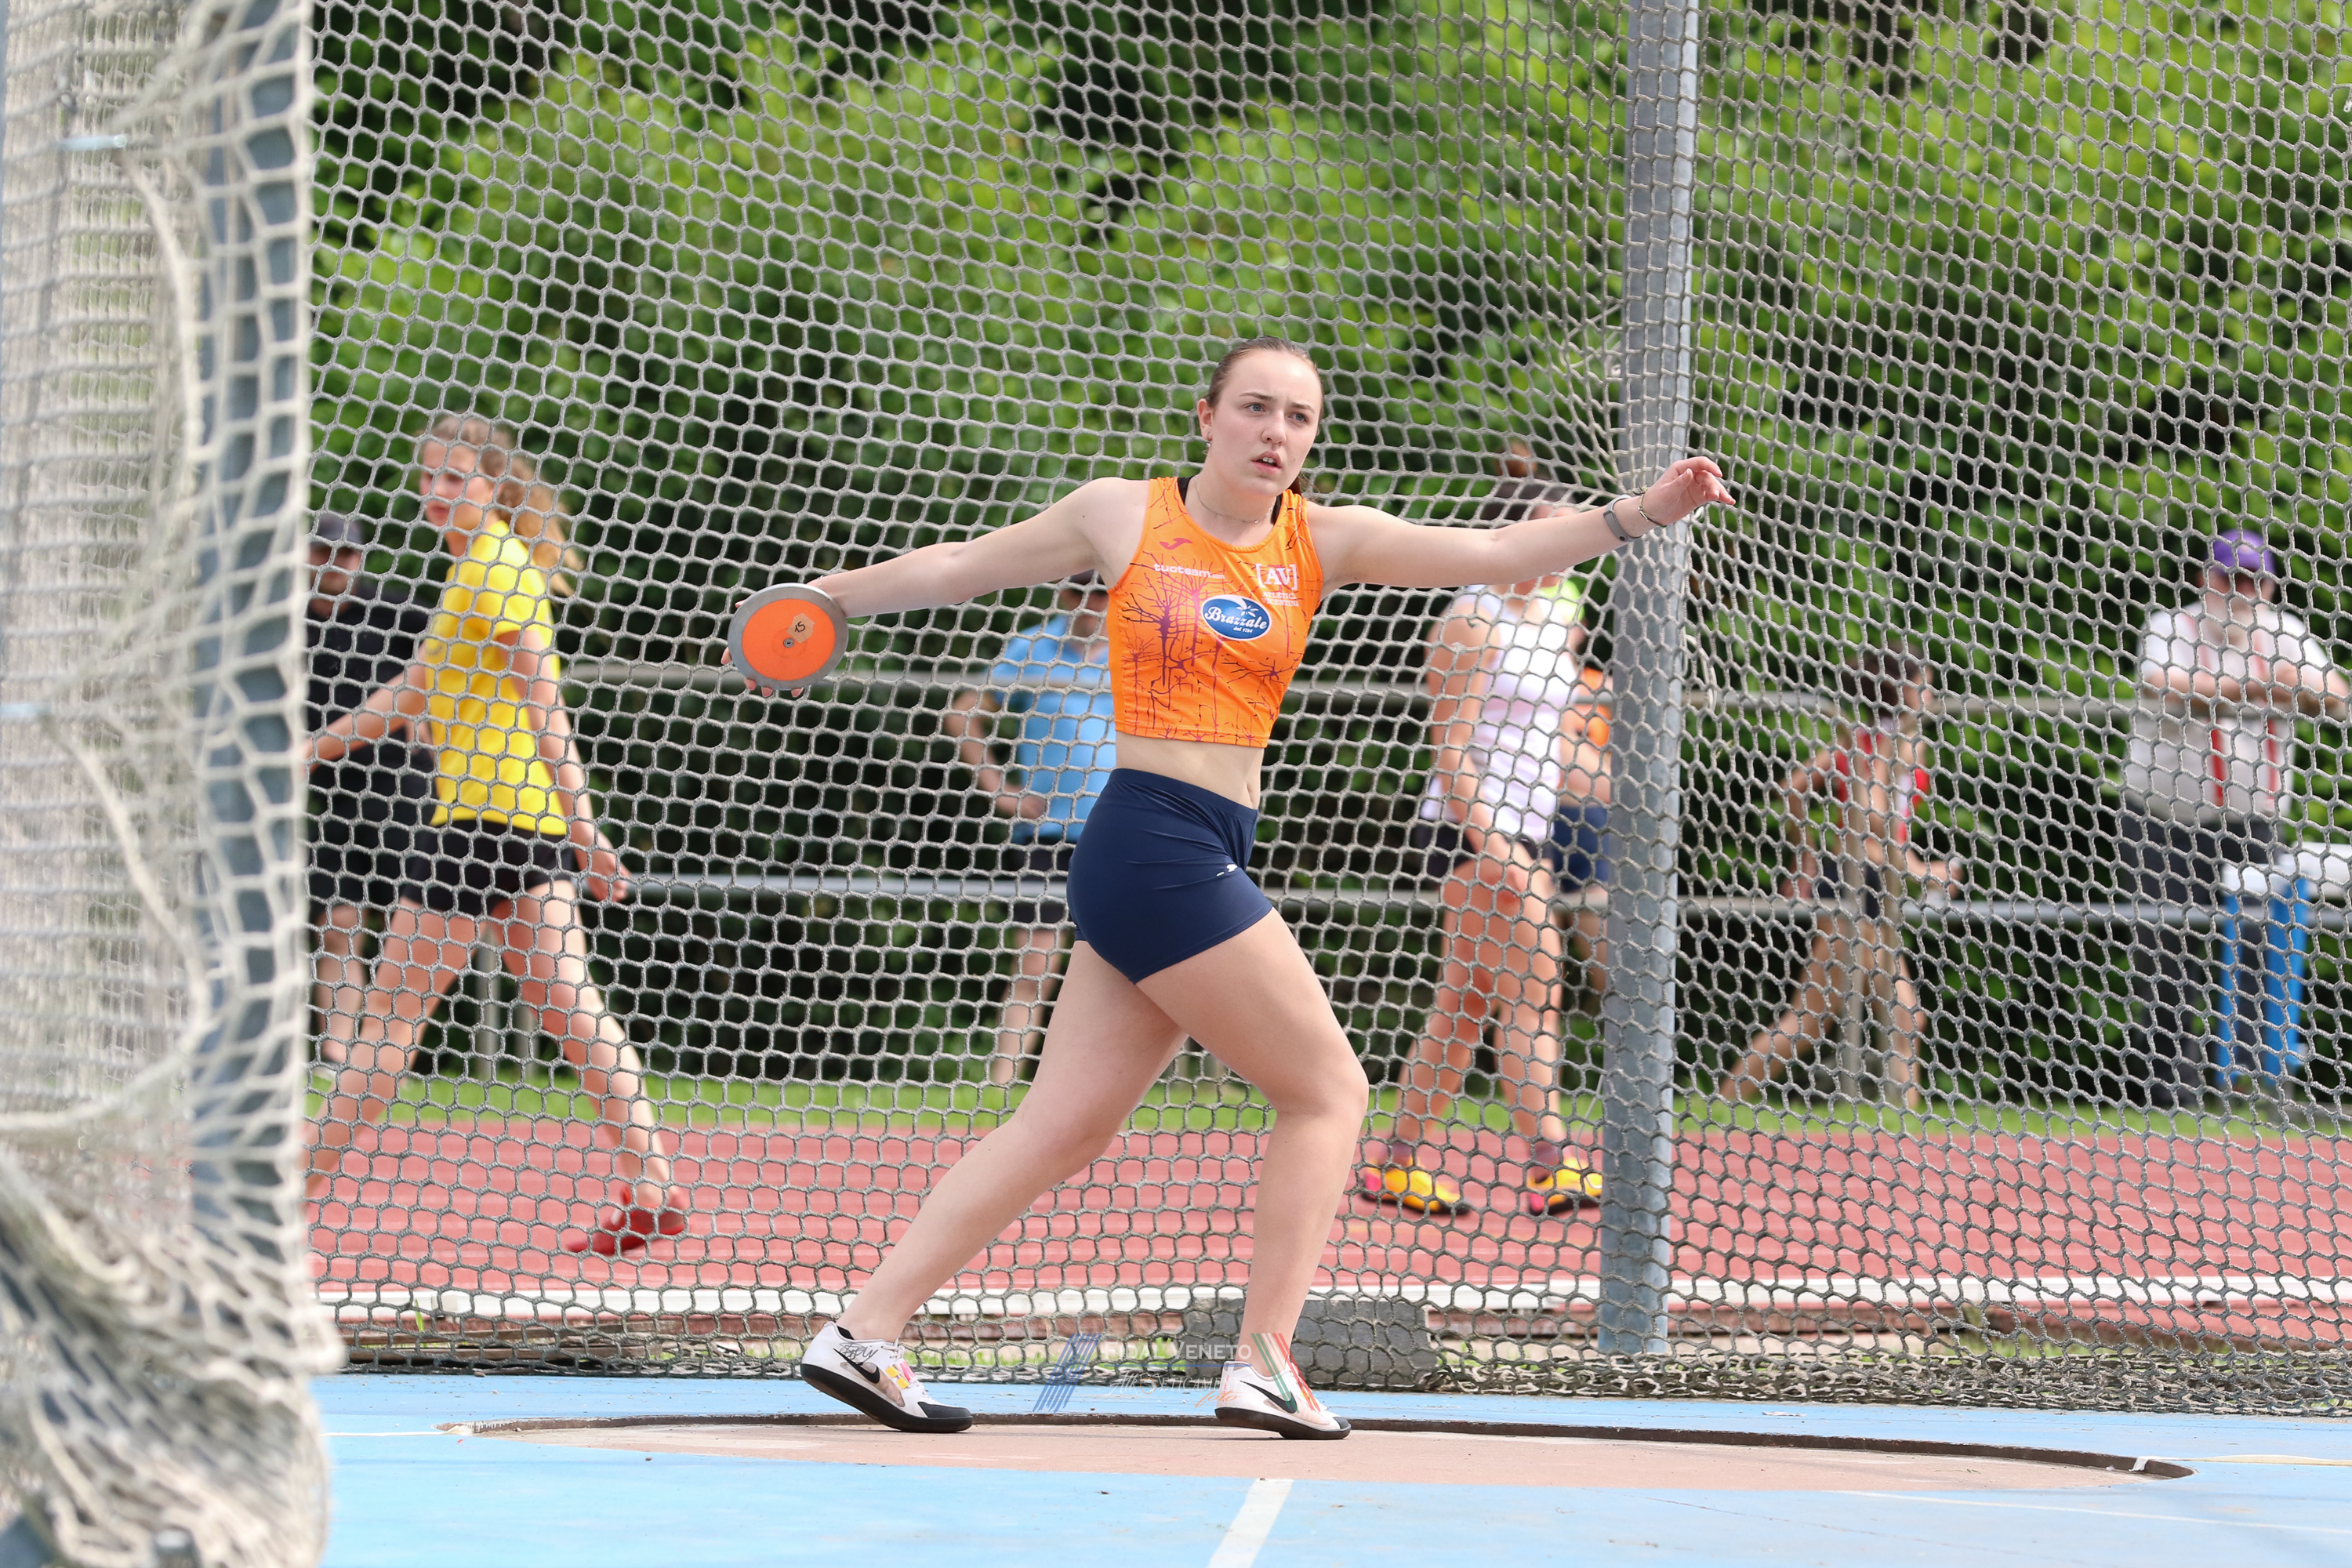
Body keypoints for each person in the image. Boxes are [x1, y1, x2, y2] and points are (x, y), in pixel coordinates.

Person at [778, 336, 1730, 1439]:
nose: (1276, 433)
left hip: (1194, 843)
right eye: (1255, 407)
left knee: (1065, 1123)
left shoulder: (1320, 537)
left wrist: (1643, 512)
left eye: (1299, 417)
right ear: (1208, 415)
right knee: (1329, 1091)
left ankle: (864, 1330)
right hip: (1153, 838)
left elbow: (1497, 545)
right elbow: (957, 566)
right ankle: (1266, 1362)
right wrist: (824, 599)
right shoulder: (1121, 514)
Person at [305, 414, 687, 1256]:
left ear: (496, 485)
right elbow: (408, 695)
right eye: (428, 477)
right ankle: (654, 1184)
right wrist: (307, 752)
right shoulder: (474, 570)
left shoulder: (495, 570)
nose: (437, 492)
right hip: (523, 824)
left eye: (456, 477)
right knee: (570, 1007)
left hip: (481, 823)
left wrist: (587, 831)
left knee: (389, 1023)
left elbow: (544, 704)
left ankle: (279, 1207)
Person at [1361, 453, 1611, 1218]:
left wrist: (1599, 783)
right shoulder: (1471, 619)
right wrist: (1494, 845)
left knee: (1465, 1004)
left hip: (1530, 827)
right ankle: (1551, 1162)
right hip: (1473, 830)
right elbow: (1451, 746)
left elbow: (1556, 734)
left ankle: (1395, 1164)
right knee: (1537, 988)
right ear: (1509, 534)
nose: (1561, 549)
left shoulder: (1555, 617)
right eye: (1548, 532)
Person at [2115, 532, 2348, 1108]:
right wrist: (2255, 686)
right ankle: (2168, 1090)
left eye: (2253, 581)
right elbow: (2163, 683)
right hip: (2163, 820)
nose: (2241, 592)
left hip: (2250, 826)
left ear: (2269, 587)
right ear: (2206, 580)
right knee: (2164, 953)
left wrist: (2298, 687)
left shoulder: (2284, 631)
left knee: (2255, 947)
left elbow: (2336, 693)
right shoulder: (2172, 625)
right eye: (2229, 579)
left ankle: (2245, 1084)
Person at [1717, 646, 1961, 1110]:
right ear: (1901, 691)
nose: (1930, 694)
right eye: (1923, 685)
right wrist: (1920, 870)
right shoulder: (1881, 743)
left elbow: (1798, 790)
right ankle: (1723, 1103)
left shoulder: (1885, 740)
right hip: (1856, 882)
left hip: (1872, 884)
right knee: (1813, 1020)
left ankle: (1906, 1126)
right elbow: (1872, 819)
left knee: (1904, 1018)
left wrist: (1808, 856)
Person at [941, 573, 1117, 1087]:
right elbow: (963, 715)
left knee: (1124, 966)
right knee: (1036, 960)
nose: (1090, 602)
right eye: (1079, 590)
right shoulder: (1033, 647)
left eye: (1103, 592)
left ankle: (1101, 1089)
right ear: (1063, 594)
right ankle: (1001, 1085)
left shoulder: (1144, 648)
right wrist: (999, 787)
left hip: (1123, 829)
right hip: (1048, 832)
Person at [306, 512, 434, 1064]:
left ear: (360, 559)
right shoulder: (283, 624)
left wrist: (430, 715)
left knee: (412, 928)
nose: (335, 564)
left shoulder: (395, 611)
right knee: (338, 922)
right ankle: (337, 1053)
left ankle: (387, 1051)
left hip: (402, 789)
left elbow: (448, 654)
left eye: (346, 554)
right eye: (323, 552)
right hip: (331, 796)